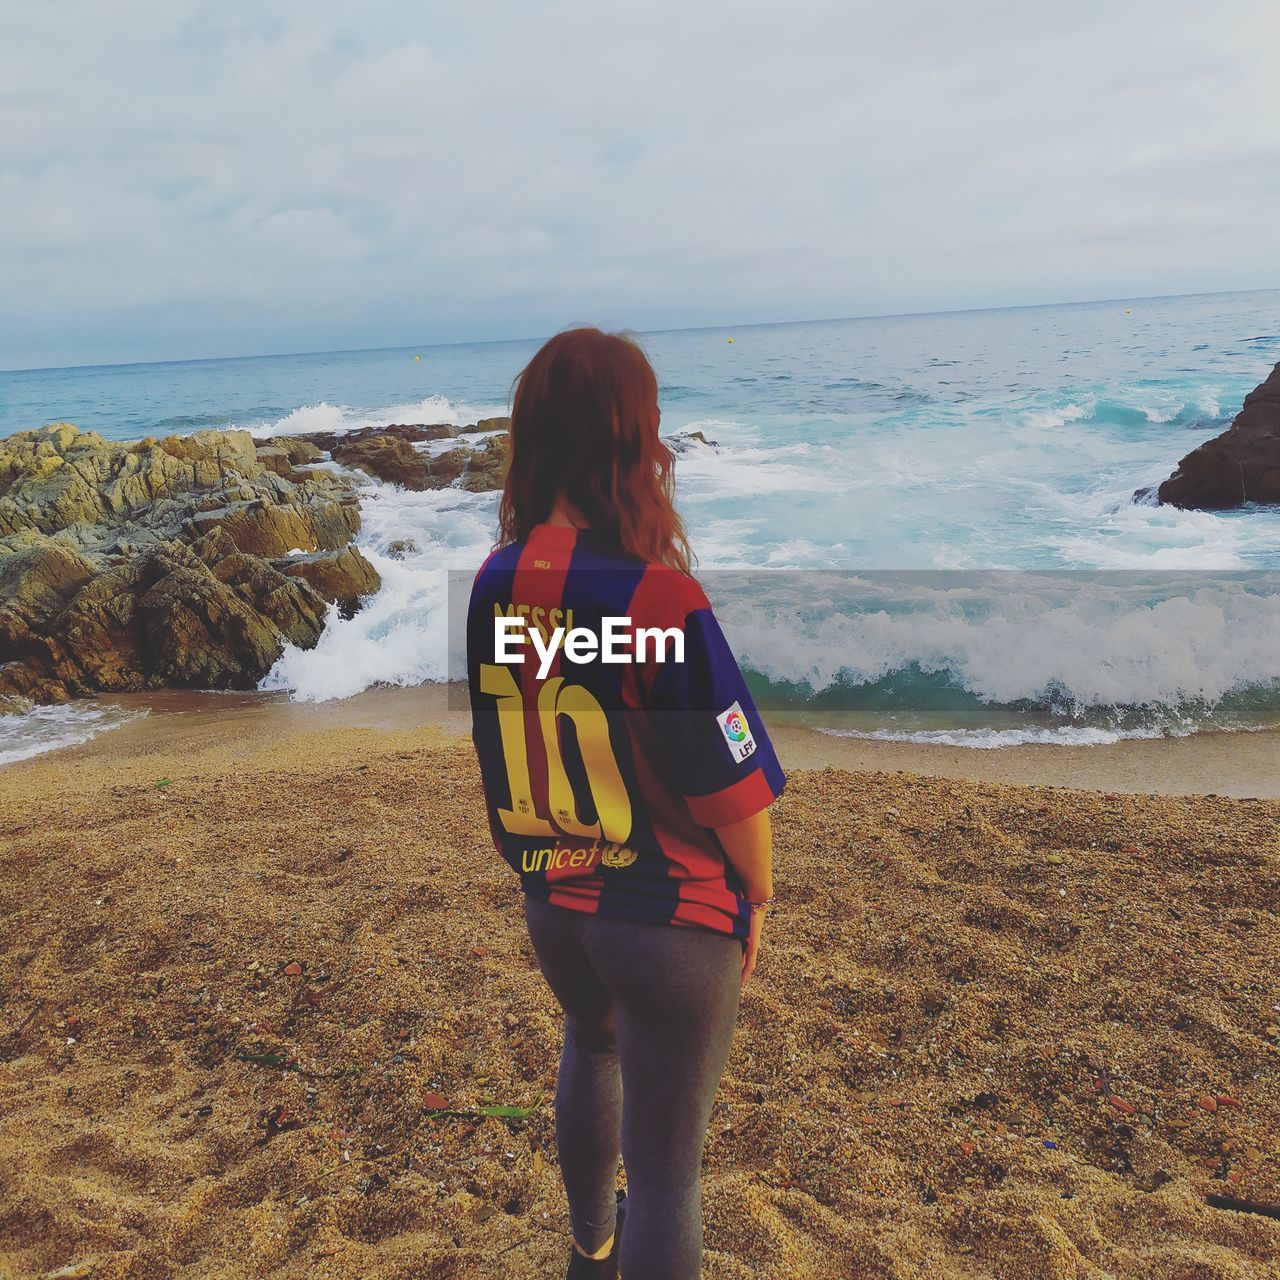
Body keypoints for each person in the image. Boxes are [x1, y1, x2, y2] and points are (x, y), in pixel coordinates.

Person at [466, 327, 785, 1279]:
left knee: (591, 1047)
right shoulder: (660, 600)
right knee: (669, 1177)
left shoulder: (494, 583)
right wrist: (758, 898)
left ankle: (587, 1252)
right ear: (631, 443)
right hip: (668, 924)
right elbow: (731, 792)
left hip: (558, 904)